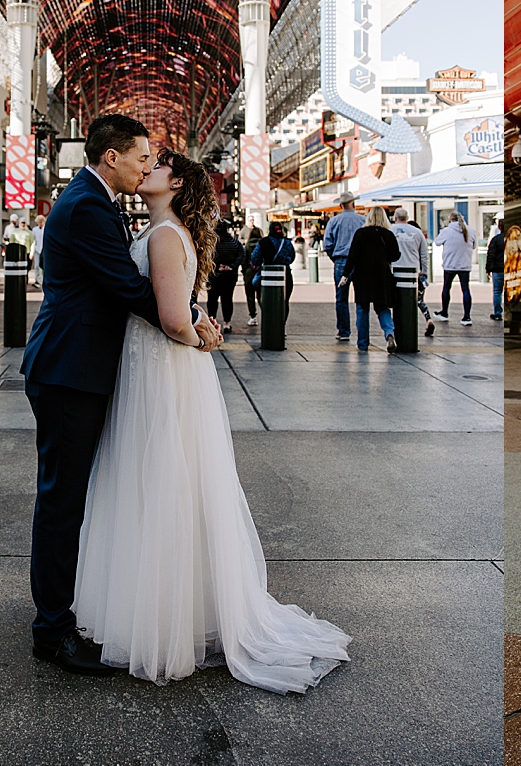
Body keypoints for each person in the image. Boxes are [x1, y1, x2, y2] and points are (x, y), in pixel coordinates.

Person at [72, 143, 350, 688]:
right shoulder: (169, 235)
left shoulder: (163, 236)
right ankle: (178, 612)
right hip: (170, 370)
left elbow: (173, 316)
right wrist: (200, 325)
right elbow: (184, 307)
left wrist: (194, 330)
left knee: (155, 480)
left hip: (160, 370)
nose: (148, 168)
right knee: (177, 483)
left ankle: (155, 619)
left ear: (176, 185)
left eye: (160, 166)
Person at [21, 114, 225, 677]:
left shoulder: (97, 198)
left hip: (81, 366)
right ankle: (52, 631)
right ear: (112, 156)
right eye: (141, 156)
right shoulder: (88, 204)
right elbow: (130, 287)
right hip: (69, 369)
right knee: (62, 500)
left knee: (69, 495)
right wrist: (191, 320)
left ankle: (60, 613)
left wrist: (189, 315)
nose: (145, 165)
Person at [340, 207, 400, 353]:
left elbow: (353, 256)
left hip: (362, 276)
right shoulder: (388, 234)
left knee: (362, 309)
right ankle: (389, 334)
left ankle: (362, 343)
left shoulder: (361, 233)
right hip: (382, 276)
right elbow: (395, 256)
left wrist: (345, 275)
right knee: (382, 308)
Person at [322, 192, 365, 342]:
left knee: (341, 298)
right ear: (353, 204)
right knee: (361, 298)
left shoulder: (334, 221)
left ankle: (344, 331)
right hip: (360, 262)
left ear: (340, 205)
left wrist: (334, 257)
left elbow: (327, 244)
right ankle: (362, 333)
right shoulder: (362, 220)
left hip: (341, 261)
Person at [391, 208, 435, 339]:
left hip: (395, 272)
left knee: (396, 301)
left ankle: (396, 329)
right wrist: (425, 272)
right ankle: (427, 320)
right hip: (414, 273)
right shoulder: (417, 232)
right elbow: (424, 255)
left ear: (395, 218)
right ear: (407, 217)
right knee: (418, 300)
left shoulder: (390, 230)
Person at [249, 222, 296, 331]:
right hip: (285, 274)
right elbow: (292, 257)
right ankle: (281, 326)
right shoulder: (287, 242)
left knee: (268, 301)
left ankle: (271, 325)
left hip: (268, 275)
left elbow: (255, 258)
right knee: (284, 302)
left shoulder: (264, 242)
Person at [434, 211, 477, 326]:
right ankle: (467, 317)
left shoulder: (446, 231)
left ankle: (444, 312)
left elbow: (437, 242)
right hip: (465, 265)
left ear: (451, 220)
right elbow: (474, 246)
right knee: (465, 289)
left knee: (447, 287)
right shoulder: (471, 231)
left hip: (450, 264)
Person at [207, 220, 244, 332]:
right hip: (230, 275)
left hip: (214, 275)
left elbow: (208, 257)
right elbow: (241, 255)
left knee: (212, 299)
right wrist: (232, 266)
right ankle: (227, 323)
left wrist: (217, 266)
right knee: (227, 299)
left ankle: (212, 321)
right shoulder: (234, 242)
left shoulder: (212, 243)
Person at [241, 223, 263, 327]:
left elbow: (244, 261)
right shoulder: (263, 246)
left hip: (249, 273)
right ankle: (265, 314)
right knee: (261, 296)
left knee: (250, 296)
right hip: (261, 273)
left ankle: (253, 316)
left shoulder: (247, 246)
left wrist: (244, 271)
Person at [6, 213, 36, 281]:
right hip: (17, 253)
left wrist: (32, 253)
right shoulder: (15, 232)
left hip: (27, 252)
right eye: (21, 223)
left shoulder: (29, 232)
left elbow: (33, 242)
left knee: (27, 268)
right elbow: (12, 241)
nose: (23, 224)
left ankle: (25, 280)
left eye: (24, 223)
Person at [485, 220, 505, 321]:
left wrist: (488, 269)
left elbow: (491, 255)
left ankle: (498, 313)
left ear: (499, 227)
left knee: (497, 291)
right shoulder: (512, 239)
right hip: (510, 270)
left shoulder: (496, 239)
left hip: (498, 270)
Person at [30, 214, 46, 288]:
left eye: (41, 222)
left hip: (44, 249)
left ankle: (42, 279)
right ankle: (37, 279)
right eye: (38, 222)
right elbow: (33, 241)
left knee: (43, 266)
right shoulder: (35, 230)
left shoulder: (46, 228)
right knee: (36, 265)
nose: (40, 223)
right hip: (37, 249)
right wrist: (32, 252)